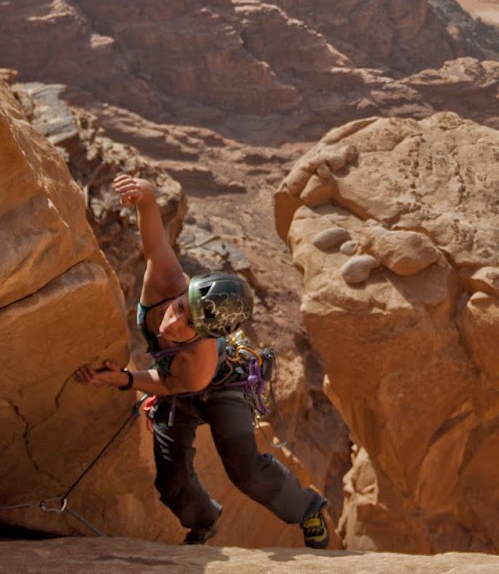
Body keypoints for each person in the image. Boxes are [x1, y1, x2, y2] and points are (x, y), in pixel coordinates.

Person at [75, 173, 332, 548]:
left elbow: (171, 385)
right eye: (181, 308)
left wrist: (125, 379)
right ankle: (203, 520)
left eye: (189, 325)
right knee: (170, 477)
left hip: (220, 387)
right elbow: (155, 241)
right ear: (184, 290)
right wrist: (145, 196)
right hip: (179, 381)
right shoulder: (167, 280)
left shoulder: (198, 360)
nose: (173, 322)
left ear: (206, 336)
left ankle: (308, 510)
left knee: (245, 470)